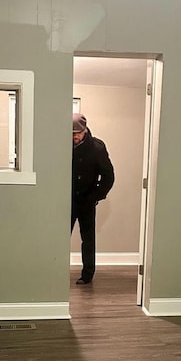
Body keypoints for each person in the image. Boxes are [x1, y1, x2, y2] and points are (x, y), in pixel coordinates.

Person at [71, 113, 115, 285]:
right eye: (71, 133)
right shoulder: (61, 145)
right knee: (59, 236)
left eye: (77, 133)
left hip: (86, 200)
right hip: (65, 199)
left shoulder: (96, 147)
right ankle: (55, 271)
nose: (74, 136)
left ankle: (87, 275)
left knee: (88, 238)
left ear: (84, 130)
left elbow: (108, 176)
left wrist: (95, 196)